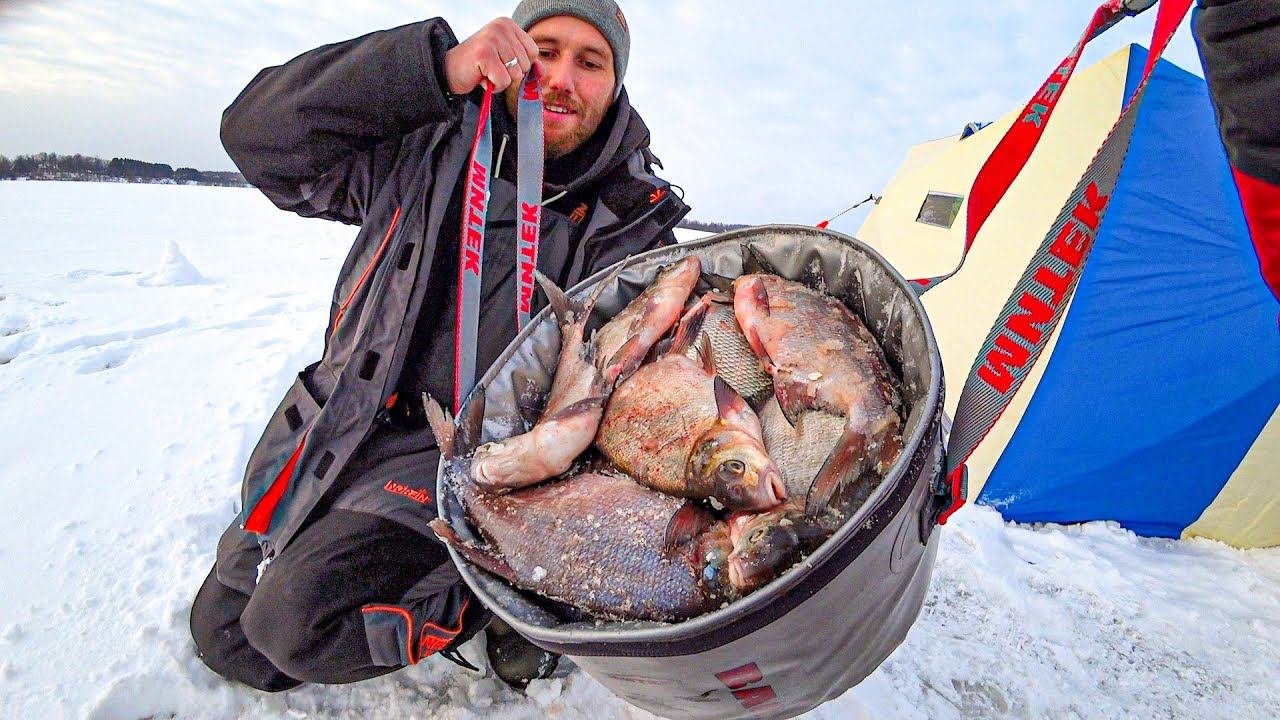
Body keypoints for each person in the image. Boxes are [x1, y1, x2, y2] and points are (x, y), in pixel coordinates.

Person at [189, 0, 689, 693]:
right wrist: (428, 71)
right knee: (225, 638)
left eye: (590, 62)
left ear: (616, 85)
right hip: (348, 422)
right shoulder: (420, 147)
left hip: (472, 465)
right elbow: (256, 137)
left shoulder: (634, 226)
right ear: (510, 50)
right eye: (545, 50)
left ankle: (507, 591)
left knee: (296, 625)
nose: (561, 79)